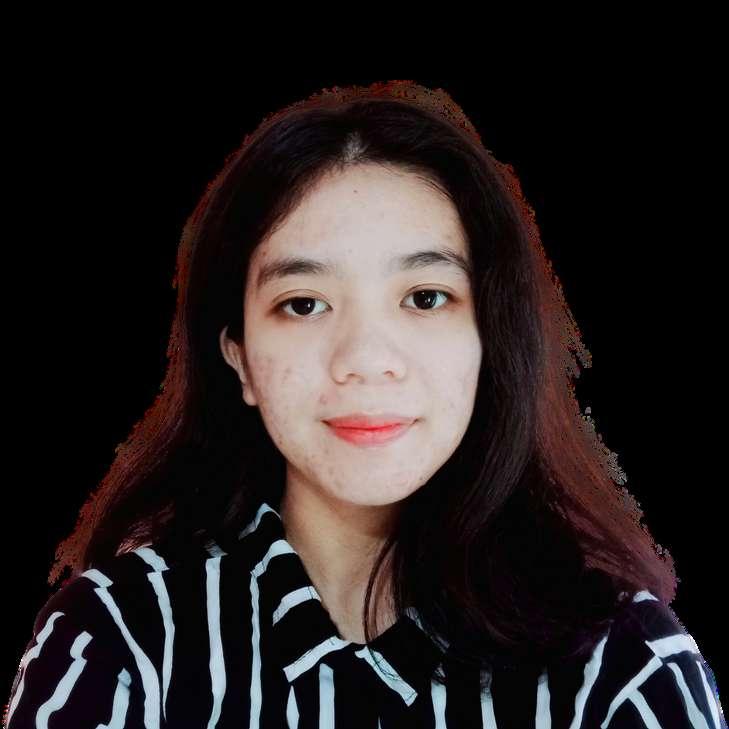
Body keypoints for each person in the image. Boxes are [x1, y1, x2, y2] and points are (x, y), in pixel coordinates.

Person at [5, 80, 725, 728]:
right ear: (239, 357)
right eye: (304, 303)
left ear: (492, 339)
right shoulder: (120, 643)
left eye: (425, 297)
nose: (365, 358)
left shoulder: (623, 667)